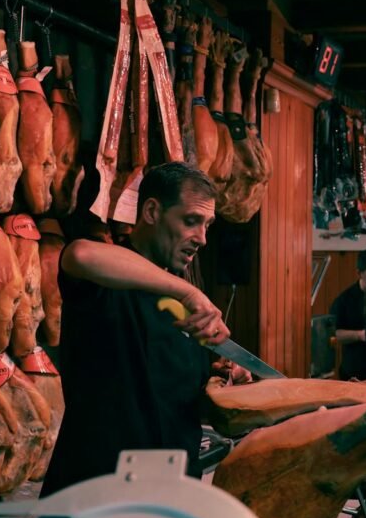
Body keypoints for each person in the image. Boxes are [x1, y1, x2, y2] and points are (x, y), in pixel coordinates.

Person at [41, 162, 231, 497]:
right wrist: (187, 291)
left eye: (207, 225)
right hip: (95, 493)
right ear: (153, 211)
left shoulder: (182, 305)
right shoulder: (106, 279)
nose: (201, 238)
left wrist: (221, 372)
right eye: (190, 221)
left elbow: (175, 394)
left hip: (170, 494)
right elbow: (80, 255)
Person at [330, 249, 366, 380]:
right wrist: (360, 335)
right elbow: (334, 334)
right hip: (356, 368)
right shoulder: (344, 300)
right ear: (359, 273)